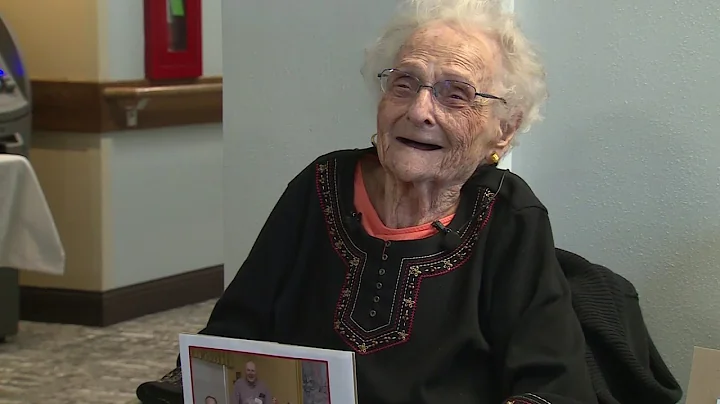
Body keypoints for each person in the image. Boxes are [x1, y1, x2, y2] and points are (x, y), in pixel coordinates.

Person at [138, 0, 599, 403]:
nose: (419, 110)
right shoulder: (321, 185)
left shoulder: (509, 216)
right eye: (404, 83)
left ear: (504, 128)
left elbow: (553, 385)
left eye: (455, 94)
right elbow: (233, 336)